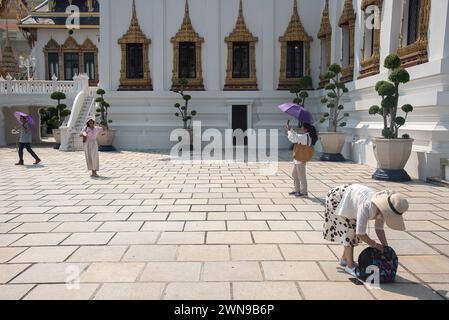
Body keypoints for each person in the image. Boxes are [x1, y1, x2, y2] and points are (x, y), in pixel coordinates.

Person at [323, 184, 409, 276]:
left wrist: (385, 247)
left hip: (350, 196)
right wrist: (375, 245)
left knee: (351, 230)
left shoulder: (384, 208)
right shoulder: (367, 206)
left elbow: (379, 229)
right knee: (350, 232)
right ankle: (350, 266)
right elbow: (360, 234)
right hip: (337, 198)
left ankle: (345, 259)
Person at [285, 122, 318, 197]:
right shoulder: (306, 136)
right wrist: (290, 130)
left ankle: (304, 192)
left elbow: (294, 139)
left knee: (301, 176)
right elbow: (296, 136)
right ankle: (297, 190)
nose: (301, 128)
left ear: (306, 129)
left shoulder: (305, 137)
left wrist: (290, 130)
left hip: (300, 159)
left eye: (302, 127)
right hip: (298, 159)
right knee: (294, 174)